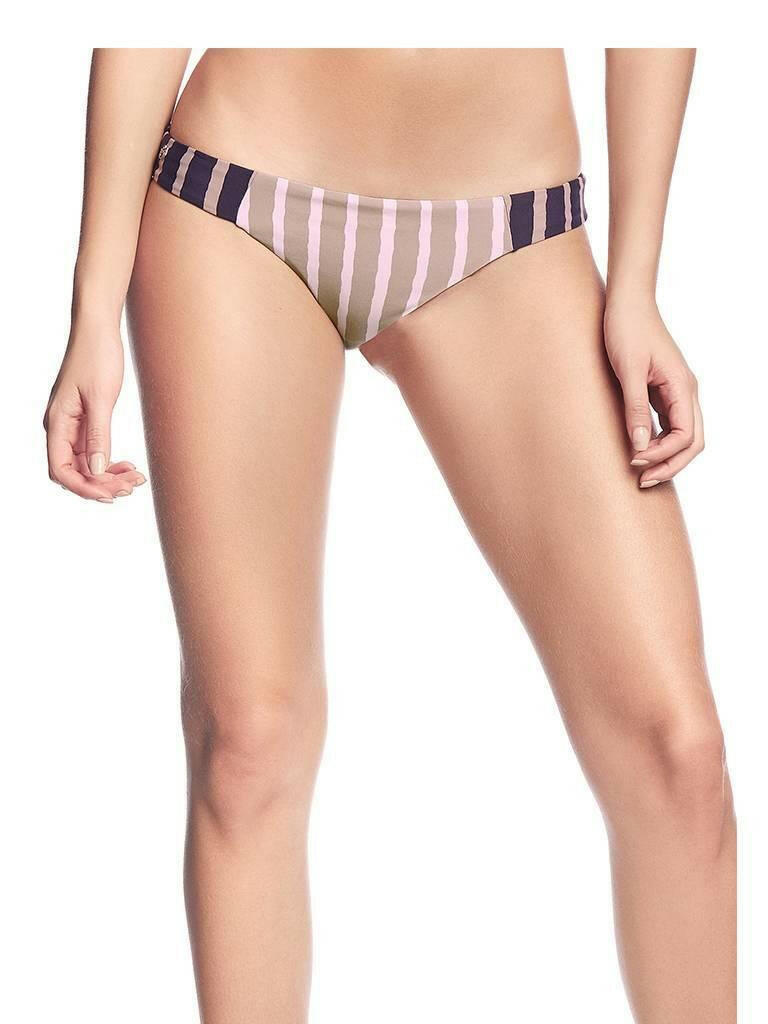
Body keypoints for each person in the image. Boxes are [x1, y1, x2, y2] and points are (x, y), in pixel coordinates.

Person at [44, 48, 735, 1023]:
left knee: (676, 752)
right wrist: (92, 310)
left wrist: (637, 281)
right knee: (249, 743)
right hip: (238, 201)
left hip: (511, 227)